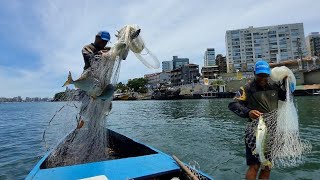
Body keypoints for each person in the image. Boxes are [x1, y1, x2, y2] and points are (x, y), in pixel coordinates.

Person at [228, 60, 287, 180]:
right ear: (254, 73)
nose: (263, 78)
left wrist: (287, 83)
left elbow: (286, 97)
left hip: (272, 130)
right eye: (260, 75)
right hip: (255, 131)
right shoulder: (247, 88)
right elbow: (233, 104)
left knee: (267, 166)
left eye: (265, 75)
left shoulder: (274, 86)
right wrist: (248, 112)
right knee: (254, 165)